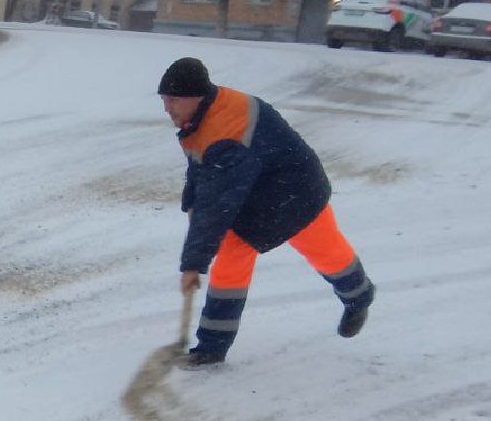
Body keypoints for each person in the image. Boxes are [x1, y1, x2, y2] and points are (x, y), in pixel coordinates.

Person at [157, 57, 374, 368]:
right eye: (164, 99)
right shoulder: (202, 116)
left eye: (174, 100)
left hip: (297, 193)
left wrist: (193, 263)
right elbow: (200, 172)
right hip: (254, 194)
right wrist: (191, 204)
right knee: (231, 263)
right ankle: (212, 348)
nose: (168, 108)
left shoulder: (225, 131)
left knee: (329, 254)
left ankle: (359, 296)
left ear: (197, 97)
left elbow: (217, 204)